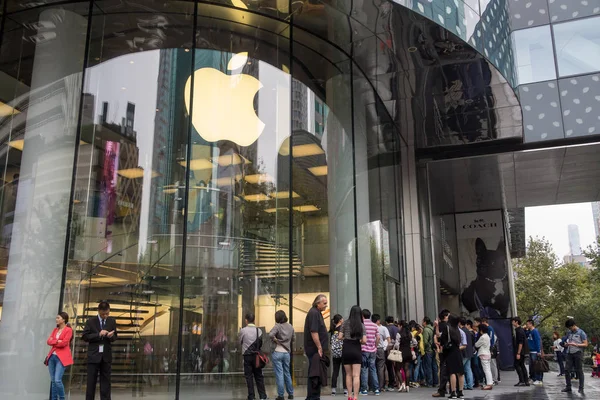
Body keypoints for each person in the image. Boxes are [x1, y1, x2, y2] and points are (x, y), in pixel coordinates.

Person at [82, 301, 117, 400]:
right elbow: (85, 336)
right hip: (93, 355)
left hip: (106, 355)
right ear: (98, 311)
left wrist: (111, 336)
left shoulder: (111, 321)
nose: (105, 316)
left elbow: (115, 337)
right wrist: (99, 334)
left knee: (106, 381)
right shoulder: (91, 321)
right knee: (91, 382)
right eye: (103, 314)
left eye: (107, 313)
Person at [304, 294, 329, 400]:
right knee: (315, 373)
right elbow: (314, 331)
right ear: (317, 303)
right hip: (314, 350)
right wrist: (319, 347)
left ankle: (313, 396)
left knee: (316, 373)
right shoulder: (314, 313)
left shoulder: (317, 313)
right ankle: (313, 397)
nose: (326, 306)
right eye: (324, 303)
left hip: (316, 350)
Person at [339, 305, 367, 400]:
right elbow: (364, 340)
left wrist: (346, 338)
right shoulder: (361, 325)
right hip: (356, 349)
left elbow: (339, 337)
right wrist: (358, 340)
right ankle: (355, 397)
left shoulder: (345, 323)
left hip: (346, 348)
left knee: (348, 374)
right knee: (356, 375)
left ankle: (349, 396)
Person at [46, 312, 74, 400]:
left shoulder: (68, 330)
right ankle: (54, 398)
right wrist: (58, 341)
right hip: (52, 357)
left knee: (57, 380)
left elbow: (64, 343)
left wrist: (54, 341)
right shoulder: (55, 330)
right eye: (56, 318)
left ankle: (62, 398)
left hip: (61, 358)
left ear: (63, 319)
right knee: (53, 381)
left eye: (58, 318)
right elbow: (48, 341)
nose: (56, 319)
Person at [239, 313, 267, 400]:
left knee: (249, 377)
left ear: (246, 320)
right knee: (259, 376)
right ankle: (262, 396)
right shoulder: (259, 331)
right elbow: (260, 344)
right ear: (254, 320)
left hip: (247, 356)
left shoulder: (243, 330)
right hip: (257, 357)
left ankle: (251, 396)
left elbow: (240, 341)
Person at [269, 310, 295, 400]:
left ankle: (281, 395)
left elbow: (270, 335)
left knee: (279, 374)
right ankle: (291, 394)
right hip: (286, 352)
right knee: (287, 373)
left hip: (277, 352)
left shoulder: (277, 326)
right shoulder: (290, 326)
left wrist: (277, 340)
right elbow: (294, 338)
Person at [562, 318, 588, 394]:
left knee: (579, 370)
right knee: (566, 370)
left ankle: (581, 388)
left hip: (578, 353)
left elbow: (585, 344)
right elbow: (568, 341)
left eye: (570, 327)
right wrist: (567, 344)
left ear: (574, 325)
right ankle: (568, 387)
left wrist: (576, 344)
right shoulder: (569, 332)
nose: (570, 329)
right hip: (569, 352)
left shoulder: (581, 333)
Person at [359, 309, 380, 395]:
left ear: (362, 316)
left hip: (364, 350)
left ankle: (364, 389)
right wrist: (375, 346)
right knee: (373, 369)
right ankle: (376, 389)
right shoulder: (375, 326)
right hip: (373, 350)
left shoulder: (361, 325)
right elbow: (378, 338)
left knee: (364, 369)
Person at [432, 310, 450, 398]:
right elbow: (437, 336)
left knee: (443, 369)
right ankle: (451, 389)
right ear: (445, 316)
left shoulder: (442, 325)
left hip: (443, 350)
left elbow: (437, 336)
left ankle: (443, 389)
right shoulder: (446, 325)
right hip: (447, 350)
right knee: (446, 370)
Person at [446, 315, 465, 399]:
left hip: (451, 351)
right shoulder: (459, 330)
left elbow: (442, 338)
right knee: (460, 372)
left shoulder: (449, 329)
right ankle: (460, 391)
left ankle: (453, 392)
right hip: (458, 351)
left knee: (452, 372)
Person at [393, 320, 414, 393]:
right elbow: (414, 342)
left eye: (398, 325)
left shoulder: (399, 334)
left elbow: (396, 344)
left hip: (401, 352)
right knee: (407, 369)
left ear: (401, 326)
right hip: (408, 352)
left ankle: (402, 384)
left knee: (397, 369)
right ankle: (408, 386)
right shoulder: (410, 333)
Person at [330, 314, 347, 396]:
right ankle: (345, 389)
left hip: (335, 352)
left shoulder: (333, 329)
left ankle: (333, 389)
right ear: (340, 320)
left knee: (335, 371)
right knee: (345, 371)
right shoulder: (342, 328)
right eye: (342, 318)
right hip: (343, 351)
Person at [373, 314, 389, 393]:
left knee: (372, 367)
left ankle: (372, 386)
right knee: (381, 368)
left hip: (371, 349)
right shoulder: (383, 328)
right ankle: (380, 386)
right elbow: (388, 339)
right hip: (380, 349)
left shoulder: (371, 327)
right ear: (378, 320)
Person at [511, 317, 529, 387]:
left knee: (517, 365)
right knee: (522, 365)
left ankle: (522, 380)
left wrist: (518, 353)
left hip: (520, 351)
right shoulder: (520, 330)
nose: (512, 323)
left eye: (513, 321)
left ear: (516, 322)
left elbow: (520, 343)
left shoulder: (519, 331)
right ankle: (526, 380)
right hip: (522, 351)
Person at [475, 324, 494, 390]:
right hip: (488, 354)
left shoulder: (482, 337)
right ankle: (490, 383)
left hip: (483, 354)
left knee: (486, 370)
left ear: (481, 330)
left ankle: (489, 384)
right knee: (488, 369)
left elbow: (476, 345)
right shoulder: (487, 336)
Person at [525, 319, 543, 385]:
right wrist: (526, 329)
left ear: (531, 324)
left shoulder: (535, 331)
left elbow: (537, 341)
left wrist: (538, 351)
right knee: (531, 366)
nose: (526, 325)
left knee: (536, 365)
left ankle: (538, 379)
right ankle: (533, 378)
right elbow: (526, 335)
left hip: (535, 351)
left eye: (527, 324)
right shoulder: (530, 331)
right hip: (531, 350)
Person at [421, 317, 437, 388]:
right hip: (434, 349)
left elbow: (425, 341)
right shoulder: (432, 328)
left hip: (428, 350)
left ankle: (429, 382)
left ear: (425, 322)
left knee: (428, 367)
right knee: (434, 366)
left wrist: (425, 348)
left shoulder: (426, 330)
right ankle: (435, 382)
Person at [459, 318, 474, 390]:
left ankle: (464, 385)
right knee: (468, 369)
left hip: (463, 353)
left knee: (461, 369)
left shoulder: (461, 331)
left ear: (459, 323)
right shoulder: (468, 331)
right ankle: (470, 385)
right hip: (469, 352)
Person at [385, 316, 399, 390]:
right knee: (397, 366)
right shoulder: (397, 328)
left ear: (386, 321)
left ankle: (390, 383)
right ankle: (398, 382)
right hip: (396, 349)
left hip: (388, 349)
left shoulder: (386, 328)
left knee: (389, 366)